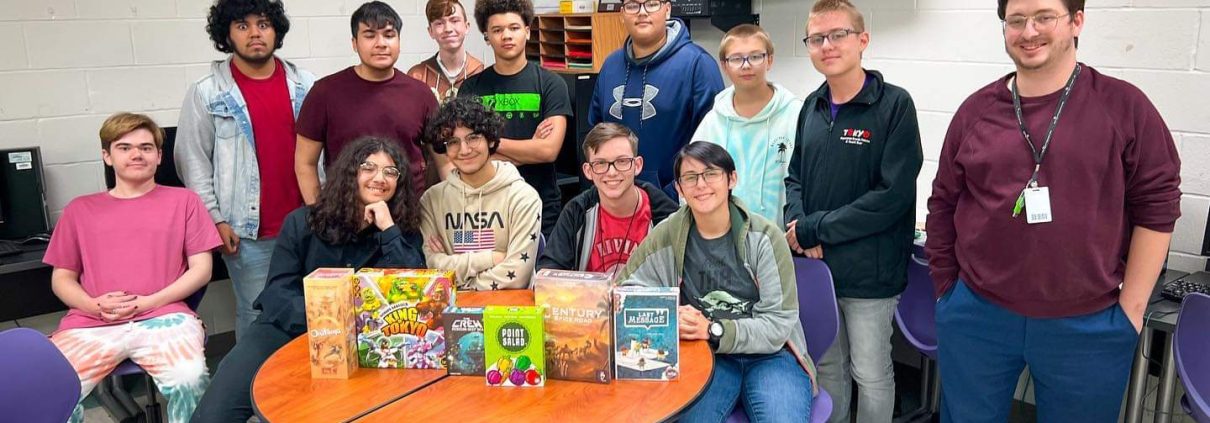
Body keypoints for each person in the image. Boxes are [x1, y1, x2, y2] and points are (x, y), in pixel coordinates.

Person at [925, 0, 1181, 421]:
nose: (1029, 32)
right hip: (977, 316)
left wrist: (1131, 310)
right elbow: (943, 202)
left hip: (1087, 325)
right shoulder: (976, 111)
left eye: (1045, 17)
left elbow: (1158, 207)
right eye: (1016, 20)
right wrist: (946, 290)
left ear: (1077, 21)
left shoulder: (1125, 107)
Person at [192, 137, 426, 422]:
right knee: (215, 413)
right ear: (350, 172)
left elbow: (416, 289)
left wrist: (388, 228)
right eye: (369, 168)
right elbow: (277, 292)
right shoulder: (303, 222)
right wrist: (327, 324)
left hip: (369, 340)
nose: (380, 178)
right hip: (287, 329)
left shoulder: (401, 230)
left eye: (390, 172)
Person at [783, 2, 923, 422]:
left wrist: (815, 228)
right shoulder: (812, 106)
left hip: (869, 274)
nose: (827, 45)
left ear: (863, 40)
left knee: (871, 373)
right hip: (818, 267)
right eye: (816, 38)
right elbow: (794, 177)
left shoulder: (894, 106)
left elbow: (891, 197)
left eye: (838, 35)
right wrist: (800, 227)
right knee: (828, 367)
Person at [615, 142, 815, 422]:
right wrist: (670, 313)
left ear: (731, 179)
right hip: (706, 355)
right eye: (690, 177)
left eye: (711, 174)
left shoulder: (765, 237)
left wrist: (712, 329)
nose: (701, 185)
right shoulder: (668, 234)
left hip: (770, 355)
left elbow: (778, 324)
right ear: (679, 188)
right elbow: (624, 294)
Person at [46, 113, 221, 423]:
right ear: (107, 156)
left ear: (159, 156)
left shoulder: (185, 201)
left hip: (164, 318)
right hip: (91, 322)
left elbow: (201, 269)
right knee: (45, 388)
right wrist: (94, 305)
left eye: (146, 147)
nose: (137, 154)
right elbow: (62, 278)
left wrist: (148, 302)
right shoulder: (79, 210)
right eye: (124, 147)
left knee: (190, 379)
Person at [177, 0, 315, 339]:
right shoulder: (207, 92)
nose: (255, 33)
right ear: (227, 35)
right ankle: (254, 377)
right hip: (248, 234)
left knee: (315, 313)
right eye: (242, 26)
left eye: (263, 24)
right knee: (258, 317)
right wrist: (215, 220)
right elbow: (192, 162)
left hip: (309, 225)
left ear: (276, 31)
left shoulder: (306, 84)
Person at [295, 1, 439, 201]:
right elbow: (305, 163)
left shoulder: (421, 94)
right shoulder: (324, 92)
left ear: (399, 41)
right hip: (344, 211)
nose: (381, 43)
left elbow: (444, 159)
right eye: (370, 35)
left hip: (408, 213)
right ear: (354, 43)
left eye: (389, 35)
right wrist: (318, 211)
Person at [588, 0, 724, 198]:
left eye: (651, 4)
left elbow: (713, 144)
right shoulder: (610, 66)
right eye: (633, 5)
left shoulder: (697, 65)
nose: (642, 12)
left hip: (675, 201)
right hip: (617, 200)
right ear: (622, 13)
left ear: (667, 9)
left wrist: (673, 193)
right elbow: (595, 135)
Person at [458, 0, 571, 236]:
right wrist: (529, 149)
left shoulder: (551, 84)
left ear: (527, 31)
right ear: (487, 36)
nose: (506, 36)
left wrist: (490, 144)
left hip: (541, 206)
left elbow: (548, 151)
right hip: (485, 207)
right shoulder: (470, 89)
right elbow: (467, 153)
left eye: (514, 28)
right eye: (497, 30)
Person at [420, 97, 542, 290]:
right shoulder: (431, 201)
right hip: (451, 306)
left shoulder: (523, 197)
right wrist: (492, 258)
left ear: (491, 139)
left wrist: (458, 280)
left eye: (473, 138)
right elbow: (433, 269)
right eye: (453, 142)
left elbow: (518, 276)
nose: (464, 150)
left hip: (507, 306)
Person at [691, 23, 801, 226]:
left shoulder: (796, 114)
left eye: (755, 56)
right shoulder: (712, 122)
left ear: (769, 60)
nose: (746, 65)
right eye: (736, 59)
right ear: (724, 66)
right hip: (725, 235)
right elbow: (692, 178)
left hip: (782, 236)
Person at [537, 122, 678, 274]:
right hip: (589, 291)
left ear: (637, 165)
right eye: (600, 163)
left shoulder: (668, 216)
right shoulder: (576, 212)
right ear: (588, 171)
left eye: (622, 161)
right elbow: (548, 273)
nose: (611, 172)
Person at [407, 0, 485, 104]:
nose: (448, 29)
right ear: (431, 31)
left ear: (466, 27)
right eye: (439, 23)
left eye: (454, 21)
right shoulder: (417, 76)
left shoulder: (482, 73)